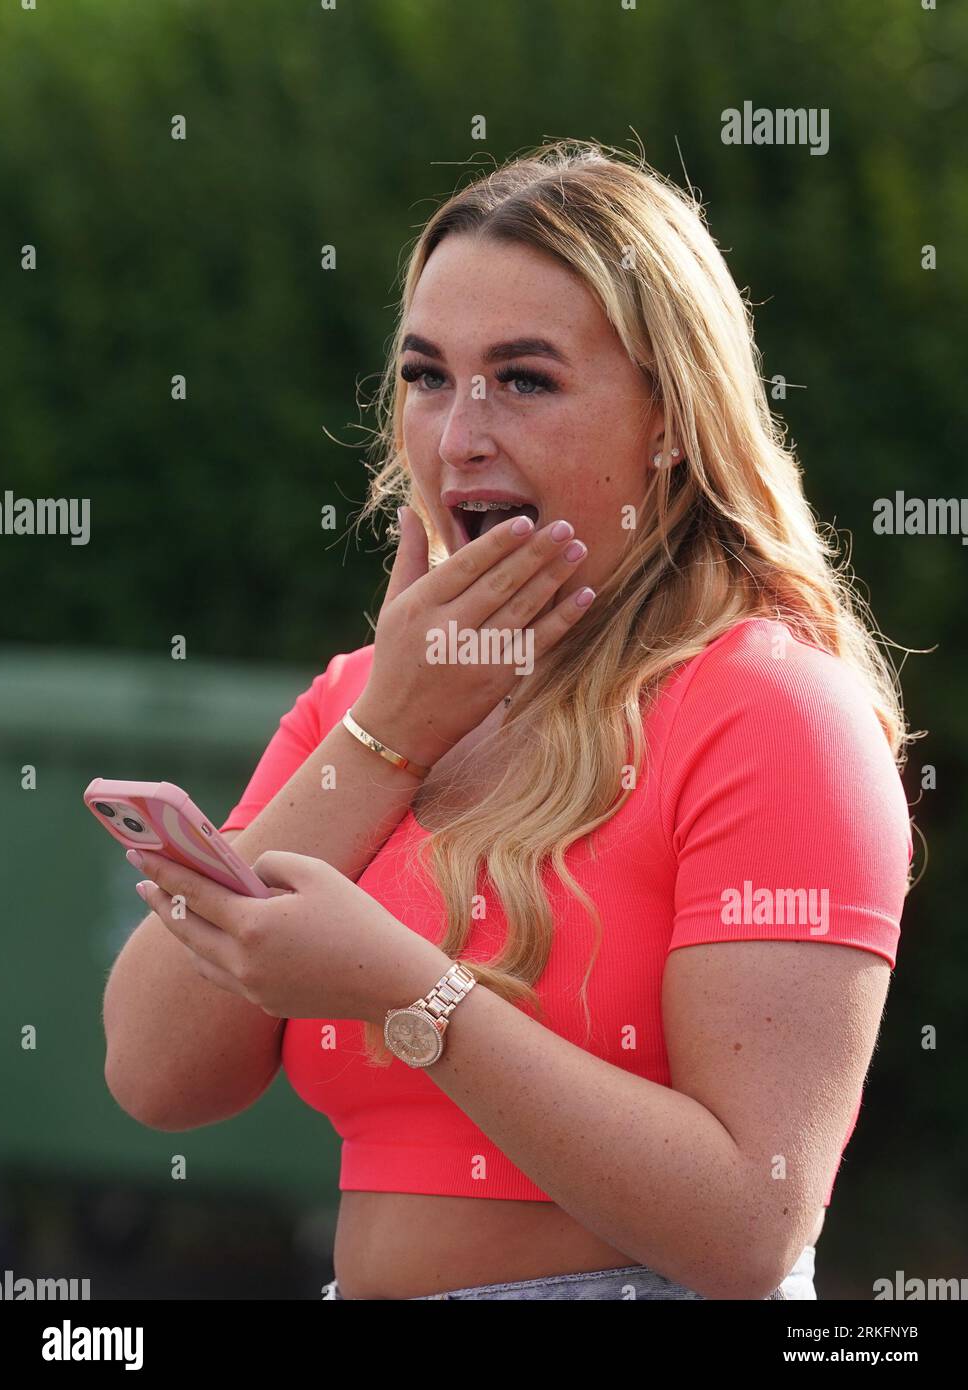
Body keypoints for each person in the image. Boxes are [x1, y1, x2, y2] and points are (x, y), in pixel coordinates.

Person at [103, 138, 915, 1301]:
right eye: (428, 375)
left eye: (523, 380)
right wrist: (391, 731)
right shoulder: (368, 699)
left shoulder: (772, 707)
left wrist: (408, 989)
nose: (458, 436)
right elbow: (153, 1070)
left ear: (672, 418)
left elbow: (748, 1226)